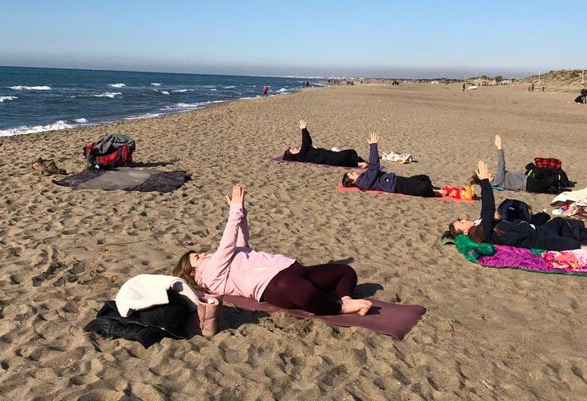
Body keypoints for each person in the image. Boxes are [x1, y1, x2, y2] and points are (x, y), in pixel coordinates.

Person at [173, 185, 373, 316]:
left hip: (293, 269)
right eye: (197, 258)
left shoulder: (220, 260)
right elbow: (226, 244)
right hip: (272, 285)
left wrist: (240, 212)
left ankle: (346, 298)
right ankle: (341, 308)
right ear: (193, 273)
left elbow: (240, 240)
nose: (204, 254)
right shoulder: (210, 276)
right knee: (298, 290)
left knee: (345, 272)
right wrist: (233, 211)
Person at [449, 161, 587, 250]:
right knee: (572, 244)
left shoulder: (480, 224)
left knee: (560, 222)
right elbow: (488, 208)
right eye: (461, 223)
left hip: (536, 229)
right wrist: (485, 184)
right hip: (536, 240)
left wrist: (485, 182)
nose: (464, 220)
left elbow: (491, 214)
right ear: (464, 231)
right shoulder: (480, 233)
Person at [341, 133, 441, 197]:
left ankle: (434, 188)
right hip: (395, 185)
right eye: (351, 174)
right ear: (352, 181)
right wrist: (373, 146)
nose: (354, 172)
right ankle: (434, 192)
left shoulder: (363, 177)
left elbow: (373, 168)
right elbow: (374, 166)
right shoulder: (363, 182)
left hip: (395, 180)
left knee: (423, 178)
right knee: (422, 188)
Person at [470, 135, 572, 193]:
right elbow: (501, 165)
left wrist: (481, 164)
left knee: (549, 184)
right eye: (486, 173)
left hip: (528, 179)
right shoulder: (496, 181)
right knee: (551, 180)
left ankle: (561, 188)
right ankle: (561, 185)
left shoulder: (495, 179)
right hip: (528, 185)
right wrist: (499, 148)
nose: (488, 172)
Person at [282, 120, 366, 167]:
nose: (295, 148)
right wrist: (303, 129)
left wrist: (305, 129)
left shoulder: (304, 151)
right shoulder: (300, 156)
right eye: (293, 150)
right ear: (292, 155)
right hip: (330, 159)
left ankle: (358, 161)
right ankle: (358, 164)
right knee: (343, 158)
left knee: (352, 152)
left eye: (293, 147)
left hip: (331, 154)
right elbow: (306, 142)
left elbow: (308, 142)